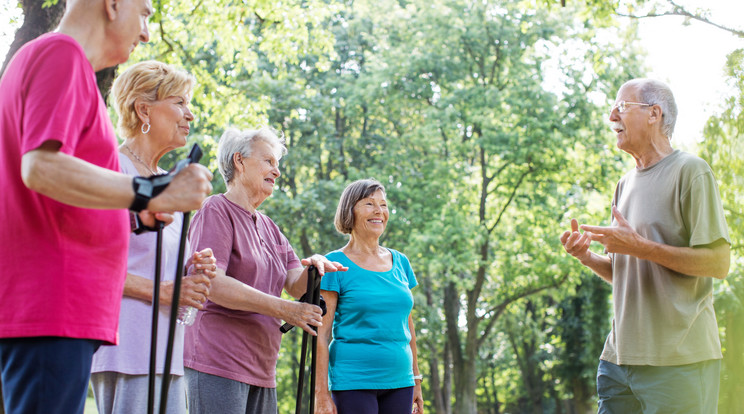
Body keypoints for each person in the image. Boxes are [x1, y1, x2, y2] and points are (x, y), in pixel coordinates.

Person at [0, 1, 213, 413]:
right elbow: (40, 167)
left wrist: (136, 212)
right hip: (52, 308)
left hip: (55, 312)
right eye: (146, 13)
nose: (147, 32)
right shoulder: (61, 55)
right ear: (113, 5)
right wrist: (150, 193)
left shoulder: (55, 61)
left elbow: (52, 194)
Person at [560, 78, 730, 413]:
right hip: (617, 362)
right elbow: (626, 273)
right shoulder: (624, 185)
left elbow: (718, 263)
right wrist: (587, 256)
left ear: (654, 113)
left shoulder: (691, 172)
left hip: (678, 362)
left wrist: (641, 246)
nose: (612, 117)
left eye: (621, 106)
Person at [184, 127, 347, 414]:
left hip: (262, 367)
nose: (277, 172)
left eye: (278, 165)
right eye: (269, 162)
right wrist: (284, 310)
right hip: (218, 362)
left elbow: (296, 283)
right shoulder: (216, 210)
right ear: (239, 161)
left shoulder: (270, 227)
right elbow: (213, 285)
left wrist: (316, 269)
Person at [89, 61, 217, 414]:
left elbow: (160, 266)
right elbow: (93, 267)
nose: (189, 114)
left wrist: (195, 269)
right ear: (143, 108)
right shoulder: (115, 171)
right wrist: (165, 292)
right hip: (127, 349)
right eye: (179, 102)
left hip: (167, 351)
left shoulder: (169, 181)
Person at [315, 179, 424, 414]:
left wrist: (416, 378)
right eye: (369, 204)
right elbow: (321, 335)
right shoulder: (334, 264)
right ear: (349, 211)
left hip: (401, 381)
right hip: (353, 381)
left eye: (383, 205)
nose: (379, 211)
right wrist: (321, 394)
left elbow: (407, 324)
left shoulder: (401, 262)